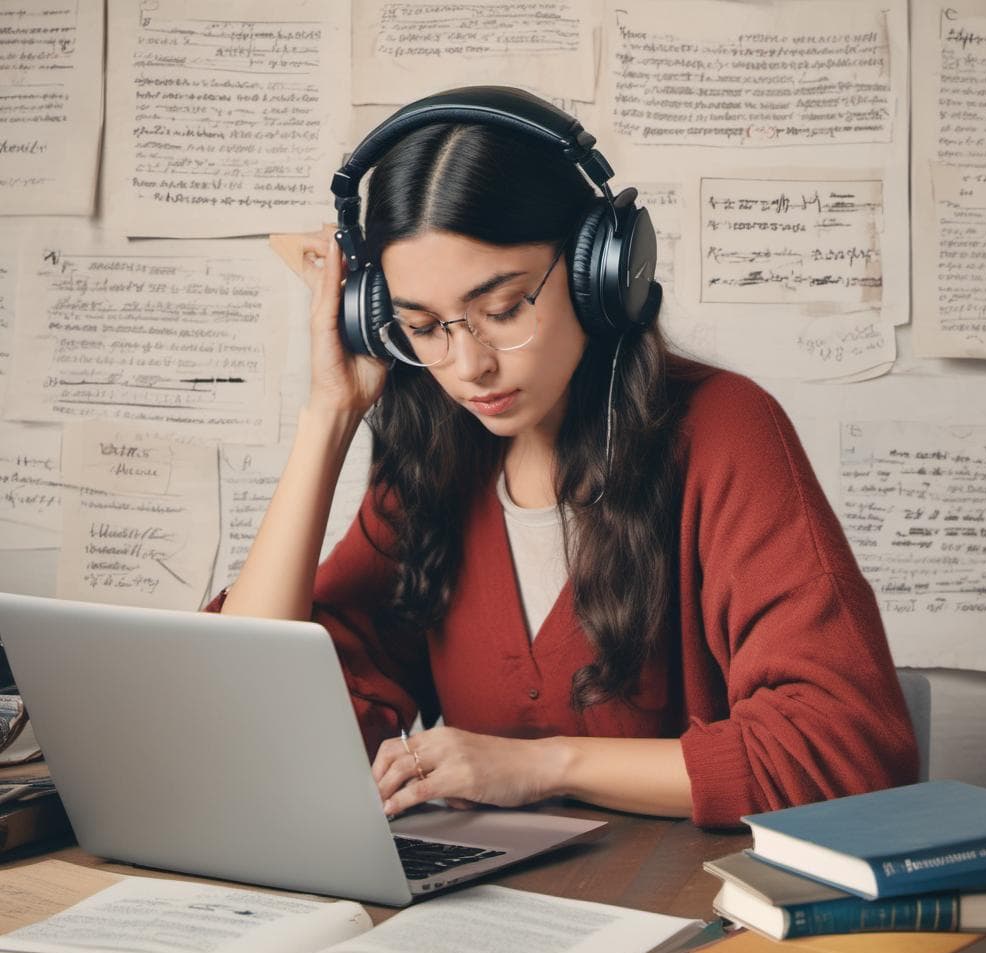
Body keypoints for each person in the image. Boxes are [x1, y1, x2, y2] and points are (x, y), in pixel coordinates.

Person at [213, 90, 917, 828]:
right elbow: (251, 717)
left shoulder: (726, 432)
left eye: (505, 309)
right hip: (491, 921)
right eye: (423, 327)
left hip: (691, 919)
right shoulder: (430, 467)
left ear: (601, 273)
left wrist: (541, 765)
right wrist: (330, 414)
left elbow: (848, 754)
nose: (468, 365)